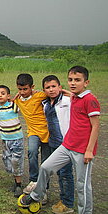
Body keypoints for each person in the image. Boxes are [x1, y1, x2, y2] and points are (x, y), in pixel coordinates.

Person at [20, 66, 100, 214]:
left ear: (86, 82)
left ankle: (85, 211)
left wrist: (89, 150)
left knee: (82, 185)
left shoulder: (90, 99)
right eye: (70, 80)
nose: (73, 83)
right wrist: (66, 92)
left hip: (82, 150)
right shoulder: (74, 97)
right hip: (66, 145)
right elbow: (69, 95)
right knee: (45, 167)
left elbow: (96, 126)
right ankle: (36, 195)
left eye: (77, 80)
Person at [14, 73, 50, 201]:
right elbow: (3, 102)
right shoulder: (17, 100)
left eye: (25, 89)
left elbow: (56, 92)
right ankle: (33, 180)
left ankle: (44, 188)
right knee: (31, 152)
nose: (22, 92)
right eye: (20, 89)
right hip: (33, 132)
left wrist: (70, 94)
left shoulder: (40, 95)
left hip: (47, 133)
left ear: (32, 87)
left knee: (46, 162)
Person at [42, 75, 74, 213]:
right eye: (48, 87)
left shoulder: (68, 101)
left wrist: (70, 94)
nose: (51, 89)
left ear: (60, 87)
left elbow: (82, 101)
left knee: (66, 174)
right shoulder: (46, 104)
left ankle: (67, 203)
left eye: (54, 86)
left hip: (66, 143)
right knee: (59, 173)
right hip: (53, 143)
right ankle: (63, 199)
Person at [0, 85, 24, 198]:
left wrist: (15, 98)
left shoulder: (13, 106)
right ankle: (15, 178)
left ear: (8, 96)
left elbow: (21, 101)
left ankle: (18, 185)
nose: (0, 95)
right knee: (7, 161)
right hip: (5, 140)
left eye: (3, 93)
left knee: (16, 161)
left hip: (17, 139)